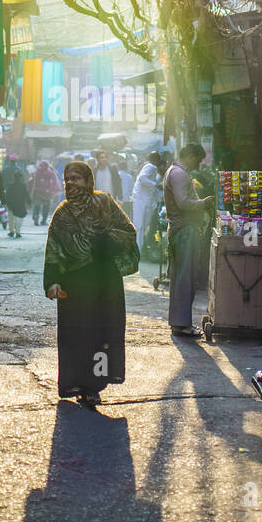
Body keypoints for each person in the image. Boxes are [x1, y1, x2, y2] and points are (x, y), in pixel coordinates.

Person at [44, 161, 139, 407]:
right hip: (74, 286)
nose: (71, 183)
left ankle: (96, 385)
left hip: (105, 280)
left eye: (77, 178)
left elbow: (128, 232)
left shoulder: (104, 203)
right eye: (68, 179)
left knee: (102, 334)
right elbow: (53, 250)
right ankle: (80, 384)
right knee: (77, 337)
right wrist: (52, 281)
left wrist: (106, 242)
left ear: (89, 181)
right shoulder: (62, 213)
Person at [164, 143, 214, 340]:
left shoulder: (176, 172)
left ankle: (179, 322)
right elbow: (183, 203)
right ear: (191, 156)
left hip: (182, 230)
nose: (198, 165)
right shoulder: (179, 174)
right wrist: (204, 203)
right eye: (198, 160)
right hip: (184, 231)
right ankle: (182, 325)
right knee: (186, 278)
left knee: (182, 278)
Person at [132, 151, 163, 257]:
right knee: (139, 226)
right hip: (141, 199)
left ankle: (139, 250)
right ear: (156, 160)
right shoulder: (150, 167)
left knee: (142, 225)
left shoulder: (150, 167)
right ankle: (138, 251)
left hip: (143, 200)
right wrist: (156, 185)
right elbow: (142, 178)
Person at [31, 158, 60, 225]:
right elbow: (54, 182)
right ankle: (43, 221)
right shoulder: (51, 172)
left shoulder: (37, 172)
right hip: (48, 193)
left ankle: (36, 216)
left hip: (38, 192)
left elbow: (32, 182)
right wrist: (54, 190)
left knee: (37, 206)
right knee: (46, 207)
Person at [4, 166, 29, 237]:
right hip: (20, 205)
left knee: (11, 218)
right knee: (19, 219)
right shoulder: (23, 185)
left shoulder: (10, 185)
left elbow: (7, 195)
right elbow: (26, 194)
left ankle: (12, 231)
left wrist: (6, 203)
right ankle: (17, 232)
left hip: (11, 205)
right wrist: (29, 202)